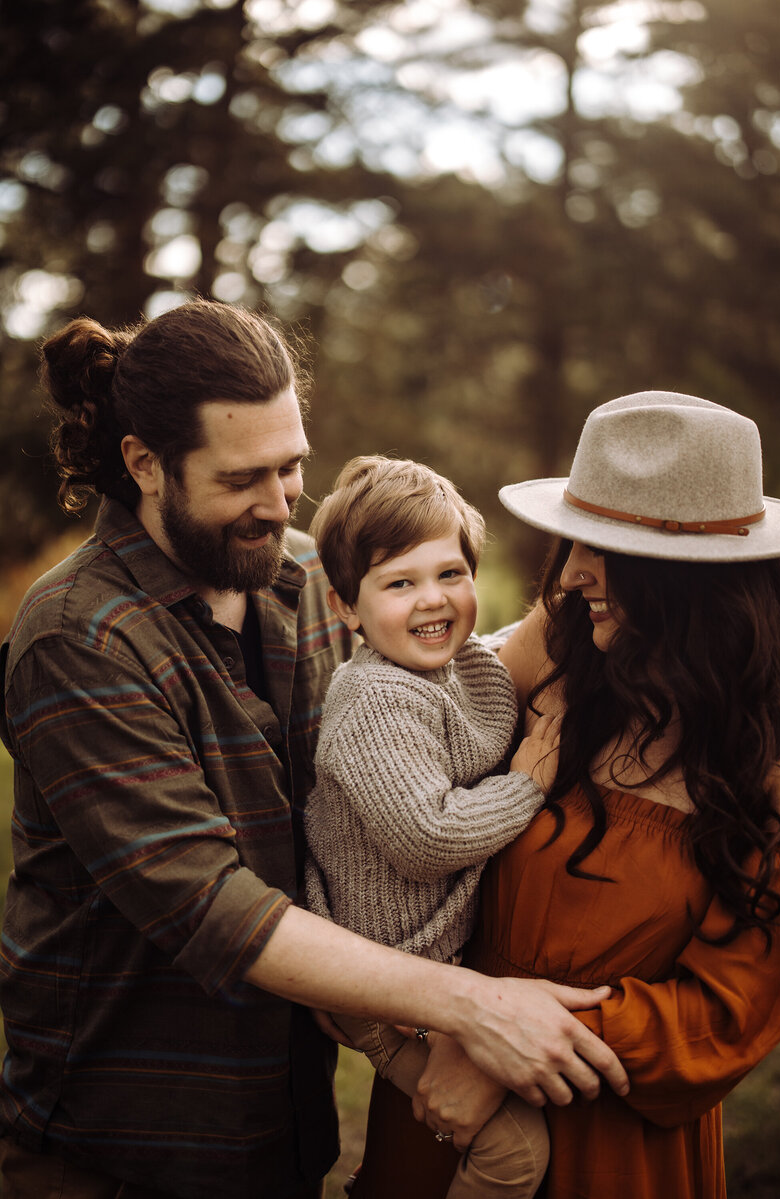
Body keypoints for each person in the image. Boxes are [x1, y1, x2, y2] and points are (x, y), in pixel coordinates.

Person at [0, 300, 629, 1199]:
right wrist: (472, 1005)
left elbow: (446, 672)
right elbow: (211, 903)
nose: (280, 500)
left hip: (280, 1128)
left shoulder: (300, 574)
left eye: (292, 465)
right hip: (121, 1145)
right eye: (243, 477)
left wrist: (607, 569)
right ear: (142, 462)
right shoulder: (81, 636)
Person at [348, 390, 780, 1199]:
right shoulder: (562, 649)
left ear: (691, 579)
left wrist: (506, 1045)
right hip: (443, 1101)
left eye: (606, 550)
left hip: (610, 1136)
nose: (573, 573)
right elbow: (406, 705)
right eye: (575, 540)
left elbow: (724, 1018)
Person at [305, 455, 556, 1198]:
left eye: (450, 573)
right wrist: (530, 783)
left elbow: (499, 651)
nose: (432, 600)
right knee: (515, 1151)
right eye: (400, 582)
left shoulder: (458, 667)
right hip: (381, 974)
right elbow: (429, 837)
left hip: (429, 963)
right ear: (347, 606)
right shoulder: (376, 695)